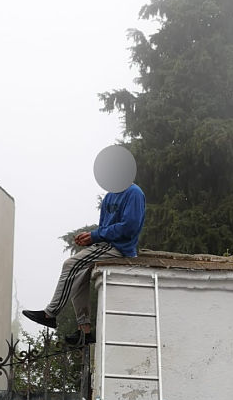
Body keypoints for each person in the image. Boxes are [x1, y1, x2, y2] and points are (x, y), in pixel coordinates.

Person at [22, 146, 146, 347]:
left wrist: (96, 236)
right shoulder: (109, 196)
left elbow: (129, 227)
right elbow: (106, 227)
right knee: (78, 278)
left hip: (120, 248)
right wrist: (90, 237)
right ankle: (85, 331)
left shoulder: (134, 193)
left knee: (70, 264)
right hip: (106, 245)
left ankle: (50, 314)